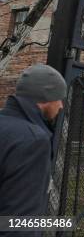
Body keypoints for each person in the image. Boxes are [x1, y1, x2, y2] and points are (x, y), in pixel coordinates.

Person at [0, 65, 67, 222]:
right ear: (46, 98)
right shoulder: (33, 140)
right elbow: (20, 221)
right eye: (59, 98)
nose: (61, 105)